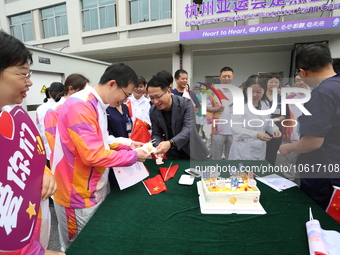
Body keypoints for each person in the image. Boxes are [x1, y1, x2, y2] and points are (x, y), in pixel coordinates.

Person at [52, 63, 150, 251]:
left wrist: (128, 144)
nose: (124, 100)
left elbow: (102, 140)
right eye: (126, 94)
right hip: (77, 193)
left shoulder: (96, 104)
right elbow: (93, 154)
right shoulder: (80, 105)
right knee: (80, 246)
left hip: (91, 187)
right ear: (112, 84)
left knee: (94, 242)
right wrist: (132, 156)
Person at [0, 30, 63, 255]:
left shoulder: (12, 117)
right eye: (23, 74)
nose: (30, 82)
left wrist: (43, 172)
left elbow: (31, 154)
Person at [279, 43, 340, 210]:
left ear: (303, 71)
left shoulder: (323, 93)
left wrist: (288, 148)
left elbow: (313, 142)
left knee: (321, 221)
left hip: (323, 178)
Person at [148, 75, 208, 160]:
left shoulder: (186, 104)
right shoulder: (153, 110)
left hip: (193, 152)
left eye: (158, 96)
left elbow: (188, 129)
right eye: (151, 98)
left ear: (168, 91)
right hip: (172, 155)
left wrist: (171, 143)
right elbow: (156, 133)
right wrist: (158, 146)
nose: (155, 101)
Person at [229, 75, 281, 160]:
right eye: (251, 91)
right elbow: (235, 128)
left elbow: (267, 122)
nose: (254, 95)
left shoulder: (265, 104)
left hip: (260, 148)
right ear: (246, 90)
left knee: (257, 171)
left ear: (264, 90)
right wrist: (256, 134)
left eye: (259, 92)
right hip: (242, 149)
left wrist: (275, 130)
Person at [44, 73, 89, 167]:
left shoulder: (82, 108)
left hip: (83, 161)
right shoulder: (54, 111)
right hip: (66, 164)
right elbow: (54, 144)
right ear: (71, 89)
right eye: (84, 91)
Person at [207, 66, 234, 160]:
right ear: (220, 77)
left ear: (233, 77)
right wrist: (217, 109)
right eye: (224, 76)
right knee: (216, 157)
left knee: (230, 157)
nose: (227, 78)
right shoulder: (213, 91)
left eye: (229, 76)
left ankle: (230, 174)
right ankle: (215, 174)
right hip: (218, 130)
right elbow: (205, 107)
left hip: (233, 130)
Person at [36, 82, 64, 167]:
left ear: (49, 94)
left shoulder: (40, 109)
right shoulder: (64, 105)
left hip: (48, 151)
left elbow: (39, 128)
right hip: (64, 152)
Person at [265, 73, 288, 165]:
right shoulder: (260, 97)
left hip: (276, 130)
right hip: (261, 128)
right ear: (266, 83)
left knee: (271, 155)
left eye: (276, 82)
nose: (273, 84)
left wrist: (274, 120)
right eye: (271, 82)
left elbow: (284, 115)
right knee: (258, 155)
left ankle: (269, 174)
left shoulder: (282, 98)